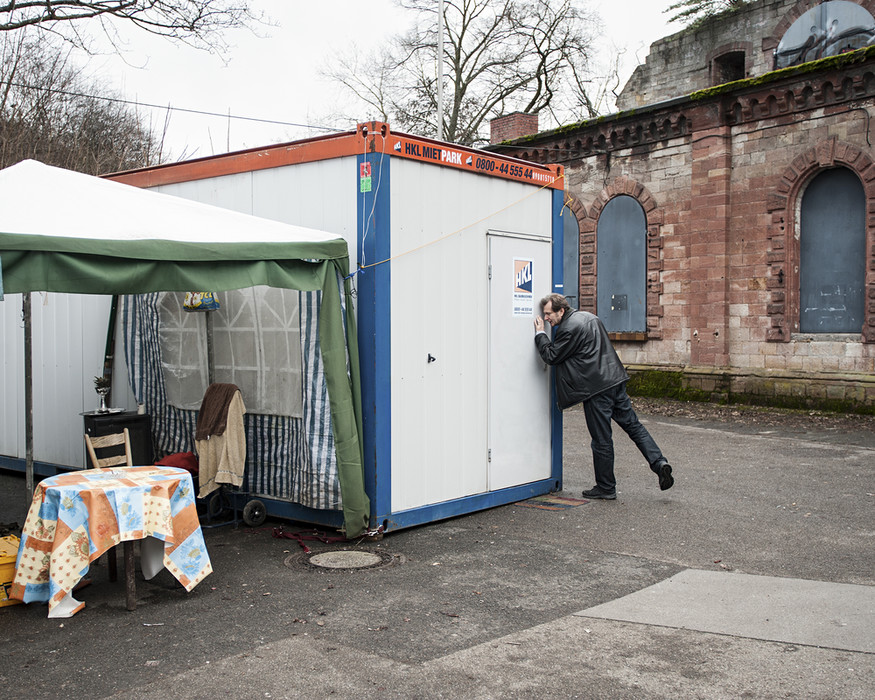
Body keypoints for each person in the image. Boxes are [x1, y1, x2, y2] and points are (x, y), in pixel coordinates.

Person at [533, 293, 673, 500]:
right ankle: (659, 462)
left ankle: (606, 487)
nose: (546, 318)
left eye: (548, 314)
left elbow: (552, 356)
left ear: (561, 311)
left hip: (596, 389)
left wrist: (539, 334)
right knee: (634, 427)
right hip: (615, 380)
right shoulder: (590, 317)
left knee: (601, 439)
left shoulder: (568, 328)